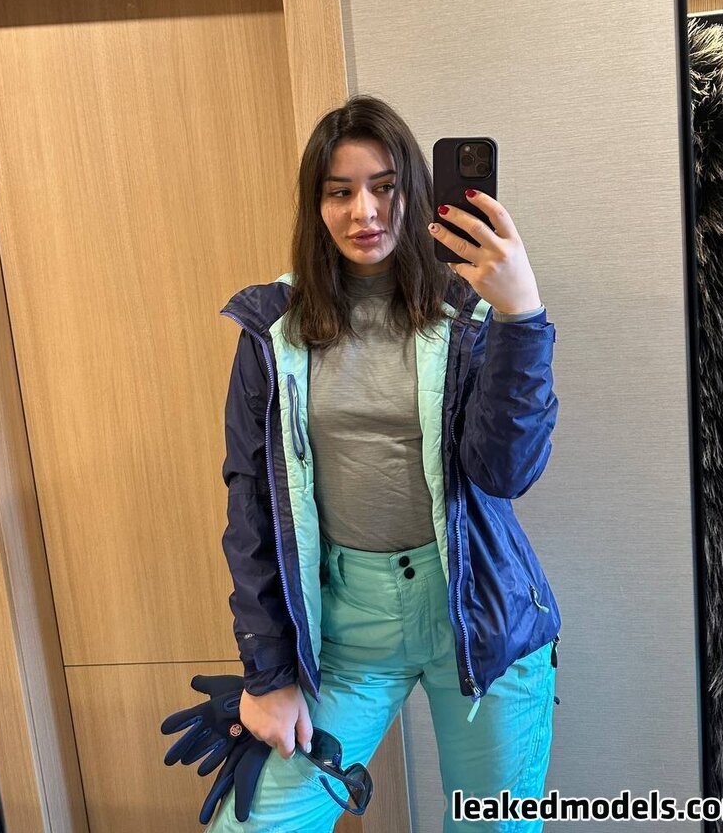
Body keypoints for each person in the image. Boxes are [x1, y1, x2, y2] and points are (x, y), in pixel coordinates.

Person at [211, 95, 561, 832]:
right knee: (257, 823)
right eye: (339, 192)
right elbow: (251, 503)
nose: (364, 211)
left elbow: (505, 473)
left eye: (385, 186)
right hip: (348, 628)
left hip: (478, 612)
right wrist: (268, 672)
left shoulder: (469, 309)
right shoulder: (273, 329)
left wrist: (521, 317)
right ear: (316, 206)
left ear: (417, 191)